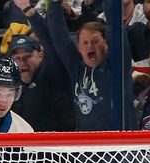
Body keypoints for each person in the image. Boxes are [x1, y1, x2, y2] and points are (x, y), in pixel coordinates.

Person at [20, 0, 136, 130]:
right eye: (85, 42)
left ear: (106, 45)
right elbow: (57, 35)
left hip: (122, 144)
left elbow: (115, 26)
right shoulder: (76, 67)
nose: (90, 46)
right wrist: (53, 3)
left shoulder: (118, 65)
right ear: (79, 47)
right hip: (85, 145)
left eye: (95, 41)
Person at [0, 4, 75, 131]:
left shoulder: (54, 74)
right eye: (17, 58)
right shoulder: (9, 79)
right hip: (21, 146)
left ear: (41, 55)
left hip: (56, 146)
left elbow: (48, 41)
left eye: (28, 56)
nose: (23, 62)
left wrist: (28, 11)